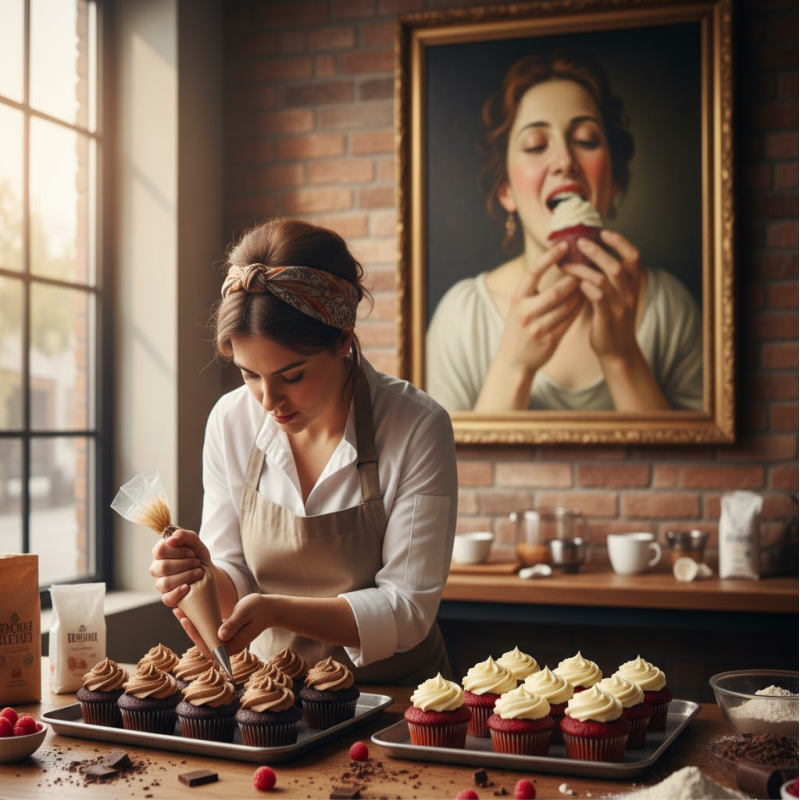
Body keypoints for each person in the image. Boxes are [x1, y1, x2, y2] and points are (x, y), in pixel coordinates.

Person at [149, 218, 458, 683]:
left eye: (292, 376)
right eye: (250, 375)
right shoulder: (230, 421)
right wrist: (202, 576)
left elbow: (407, 609)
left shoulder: (416, 426)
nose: (269, 402)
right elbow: (235, 577)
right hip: (274, 697)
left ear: (343, 341)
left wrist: (277, 611)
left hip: (397, 699)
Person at [426, 50, 703, 413]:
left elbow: (705, 469)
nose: (565, 161)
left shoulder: (668, 307)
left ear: (614, 182)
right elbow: (439, 468)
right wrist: (514, 364)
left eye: (586, 140)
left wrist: (622, 357)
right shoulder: (462, 320)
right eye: (536, 145)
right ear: (505, 190)